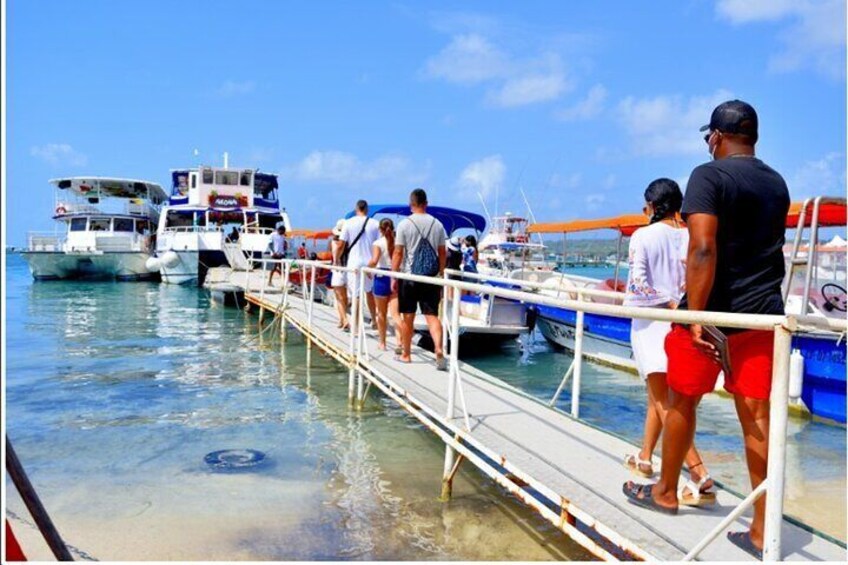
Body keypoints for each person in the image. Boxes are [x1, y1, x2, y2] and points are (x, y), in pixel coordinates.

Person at [622, 100, 791, 559]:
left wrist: (695, 316)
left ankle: (667, 491)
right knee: (757, 418)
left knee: (681, 400)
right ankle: (761, 528)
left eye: (708, 138)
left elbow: (702, 248)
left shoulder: (707, 176)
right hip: (761, 317)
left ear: (716, 137)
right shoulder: (776, 182)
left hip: (712, 316)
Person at [622, 178, 714, 506]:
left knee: (666, 404)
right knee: (660, 397)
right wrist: (681, 303)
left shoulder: (643, 236)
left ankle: (698, 473)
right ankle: (646, 457)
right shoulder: (692, 233)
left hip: (652, 324)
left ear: (652, 204)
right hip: (683, 326)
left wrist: (667, 301)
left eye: (645, 205)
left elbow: (638, 286)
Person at [391, 188, 448, 370]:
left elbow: (398, 252)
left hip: (409, 277)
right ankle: (439, 349)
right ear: (426, 204)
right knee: (432, 316)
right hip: (430, 278)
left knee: (408, 317)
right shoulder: (438, 224)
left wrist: (394, 275)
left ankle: (406, 355)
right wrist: (439, 272)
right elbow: (442, 253)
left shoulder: (404, 225)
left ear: (411, 205)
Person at [339, 200, 381, 331]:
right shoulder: (375, 224)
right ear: (367, 209)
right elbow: (379, 244)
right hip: (370, 262)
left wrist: (337, 259)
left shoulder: (348, 223)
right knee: (369, 293)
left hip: (354, 262)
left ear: (356, 209)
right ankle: (374, 320)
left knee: (356, 295)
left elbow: (341, 244)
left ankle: (356, 325)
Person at [368, 218, 402, 351]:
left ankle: (382, 343)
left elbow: (374, 260)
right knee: (395, 314)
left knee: (381, 314)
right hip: (395, 276)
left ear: (380, 230)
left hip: (381, 277)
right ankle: (400, 341)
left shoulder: (378, 243)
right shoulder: (398, 243)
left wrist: (366, 269)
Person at [330, 220, 349, 329]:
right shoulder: (350, 241)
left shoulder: (333, 242)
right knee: (344, 297)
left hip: (337, 270)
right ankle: (342, 319)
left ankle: (344, 319)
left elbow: (332, 255)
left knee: (339, 297)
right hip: (348, 269)